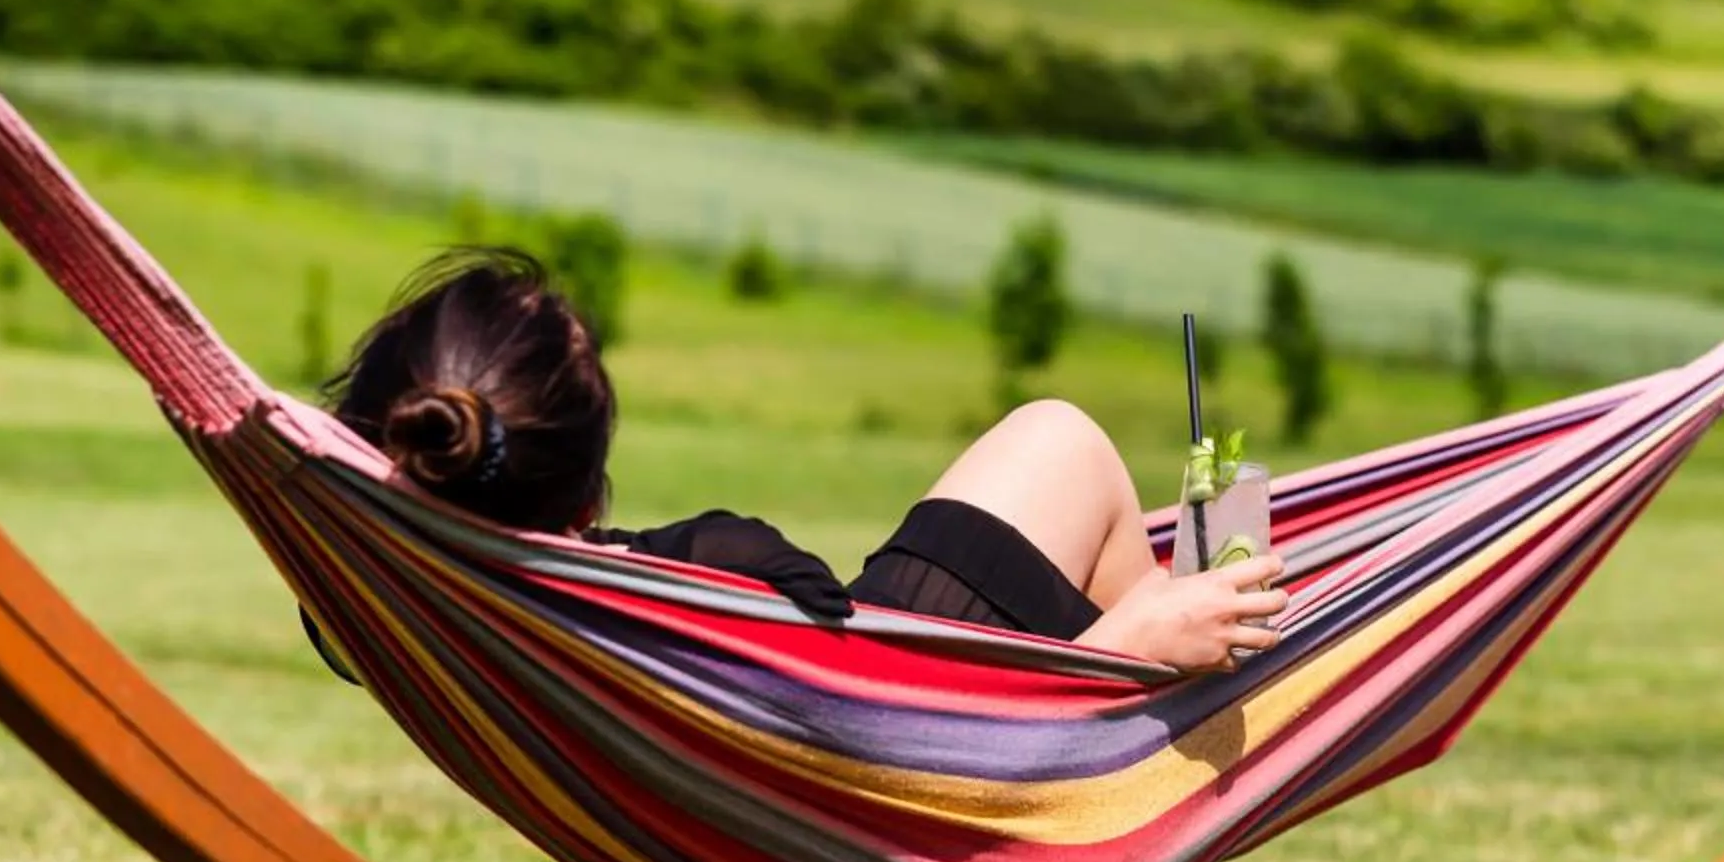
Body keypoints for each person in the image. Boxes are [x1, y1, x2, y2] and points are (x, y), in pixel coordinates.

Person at [304, 248, 1286, 673]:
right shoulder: (664, 590)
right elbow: (914, 762)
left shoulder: (381, 603)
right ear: (589, 479)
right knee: (1060, 434)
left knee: (1187, 524)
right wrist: (1122, 650)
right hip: (949, 749)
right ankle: (1196, 632)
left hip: (896, 731)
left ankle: (1204, 583)